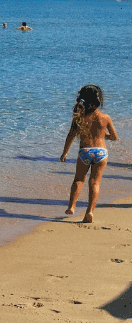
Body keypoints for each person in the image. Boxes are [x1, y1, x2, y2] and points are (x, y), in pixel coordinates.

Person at [61, 85, 118, 223]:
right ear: (99, 100)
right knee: (95, 182)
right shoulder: (105, 117)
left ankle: (72, 206)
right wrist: (104, 136)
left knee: (79, 179)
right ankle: (90, 212)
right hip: (101, 153)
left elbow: (70, 136)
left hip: (84, 152)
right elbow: (114, 137)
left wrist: (64, 153)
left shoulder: (79, 118)